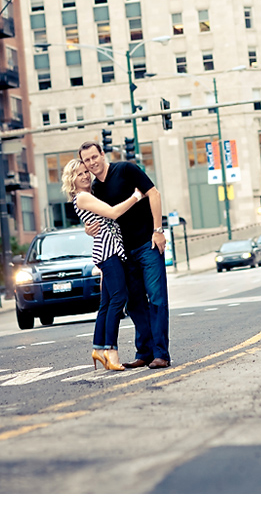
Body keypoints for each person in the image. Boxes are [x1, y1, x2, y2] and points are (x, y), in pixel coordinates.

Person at [78, 141, 170, 369]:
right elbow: (100, 218)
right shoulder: (95, 190)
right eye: (87, 160)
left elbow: (154, 194)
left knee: (156, 298)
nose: (92, 163)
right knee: (135, 304)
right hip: (122, 253)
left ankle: (161, 354)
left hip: (147, 244)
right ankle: (145, 353)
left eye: (94, 157)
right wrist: (87, 229)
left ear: (102, 154)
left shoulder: (126, 170)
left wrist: (158, 231)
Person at [60, 158, 144, 372]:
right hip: (108, 252)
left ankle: (99, 348)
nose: (85, 176)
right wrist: (136, 196)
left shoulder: (88, 195)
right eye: (79, 174)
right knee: (119, 298)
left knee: (106, 304)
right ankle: (111, 351)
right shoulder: (83, 197)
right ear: (72, 180)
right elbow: (114, 213)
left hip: (108, 249)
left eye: (85, 172)